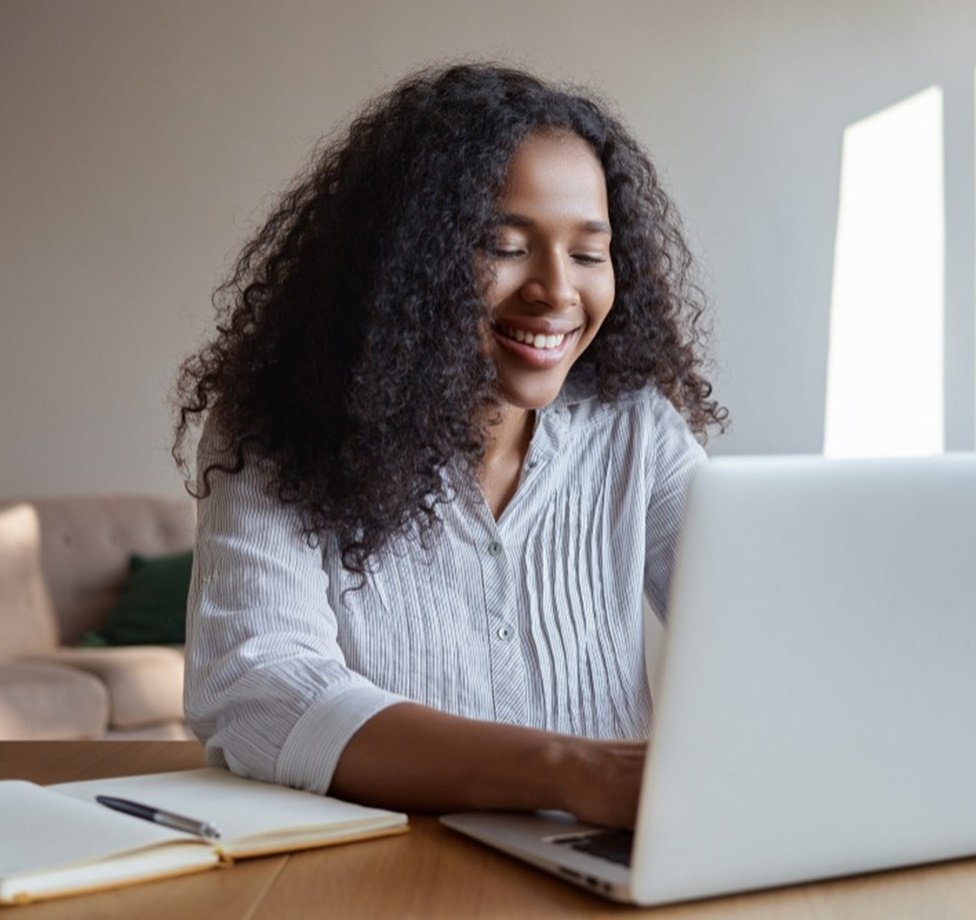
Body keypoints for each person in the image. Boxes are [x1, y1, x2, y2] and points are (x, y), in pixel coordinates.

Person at [174, 63, 726, 830]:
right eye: (504, 245)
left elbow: (758, 625)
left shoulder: (635, 425)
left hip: (598, 868)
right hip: (372, 872)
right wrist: (569, 769)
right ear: (408, 261)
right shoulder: (277, 430)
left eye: (589, 253)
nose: (557, 291)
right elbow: (259, 688)